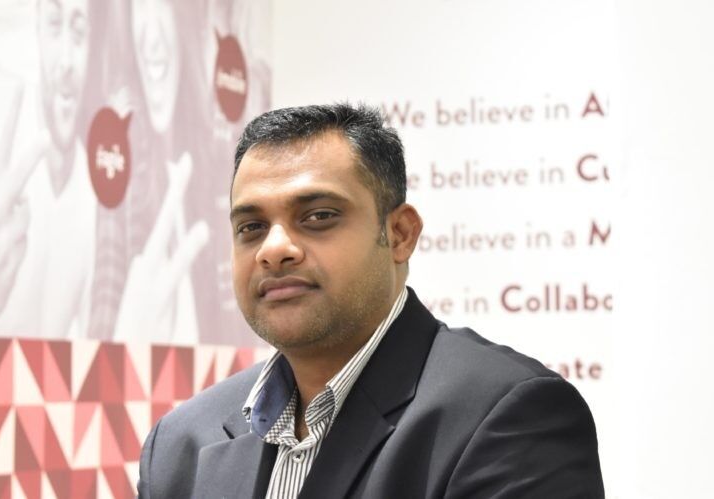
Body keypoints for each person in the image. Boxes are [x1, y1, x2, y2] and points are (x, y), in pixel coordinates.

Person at [136, 103, 605, 498]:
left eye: (318, 216)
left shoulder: (506, 416)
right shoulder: (179, 446)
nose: (274, 249)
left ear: (399, 234)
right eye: (251, 227)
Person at [0, 0, 97, 338]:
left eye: (79, 32)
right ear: (37, 29)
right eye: (54, 25)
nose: (66, 61)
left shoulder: (92, 190)